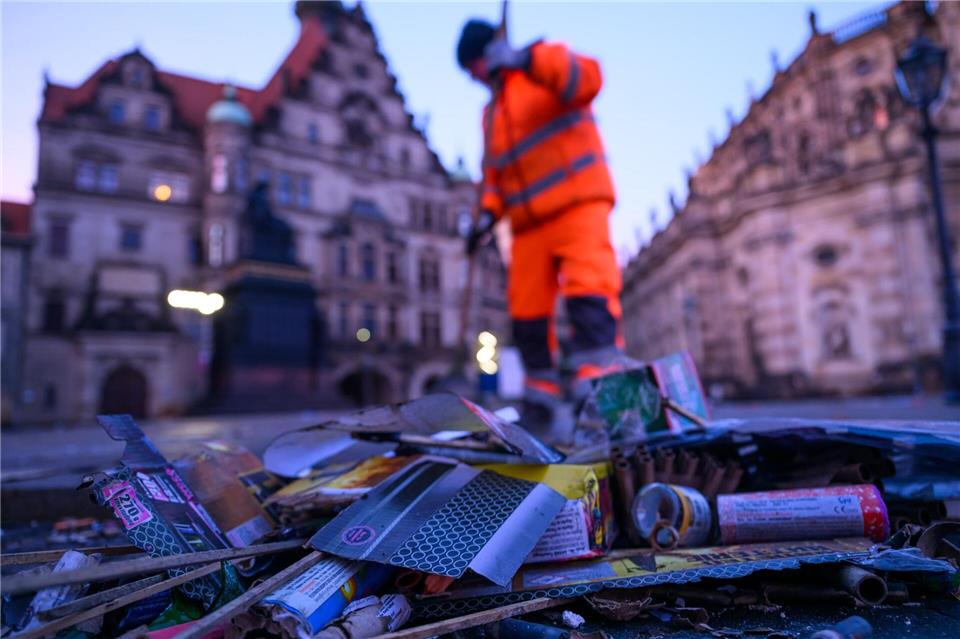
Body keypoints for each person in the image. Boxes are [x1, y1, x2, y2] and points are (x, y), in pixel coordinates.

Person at [457, 19, 625, 431]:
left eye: (473, 66)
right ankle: (540, 402)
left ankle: (601, 393)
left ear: (488, 53)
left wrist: (526, 59)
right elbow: (496, 174)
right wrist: (487, 215)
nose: (474, 77)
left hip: (577, 202)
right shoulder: (491, 114)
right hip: (527, 225)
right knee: (526, 314)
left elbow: (588, 79)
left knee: (589, 292)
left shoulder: (542, 64)